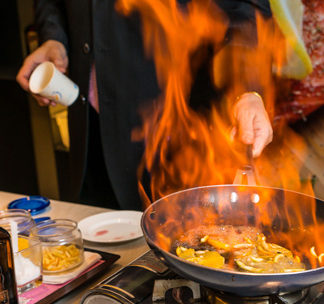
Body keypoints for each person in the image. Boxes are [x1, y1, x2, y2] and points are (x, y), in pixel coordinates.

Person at [17, 0, 274, 210]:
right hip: (89, 129)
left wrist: (246, 89)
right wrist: (54, 37)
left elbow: (247, 11)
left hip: (178, 133)